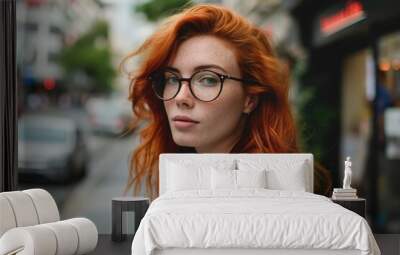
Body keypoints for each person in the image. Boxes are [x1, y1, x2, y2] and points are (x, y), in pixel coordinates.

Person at [121, 4, 331, 200]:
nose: (180, 97)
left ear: (250, 99)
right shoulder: (184, 178)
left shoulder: (266, 194)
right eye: (173, 78)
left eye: (208, 79)